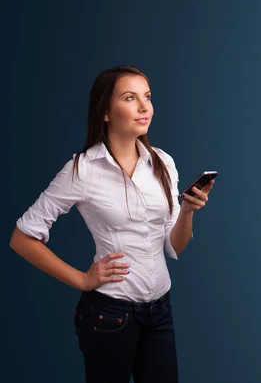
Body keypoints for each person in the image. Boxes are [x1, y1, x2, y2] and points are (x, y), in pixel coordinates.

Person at [9, 65, 214, 383]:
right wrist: (82, 279)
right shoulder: (81, 171)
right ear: (105, 111)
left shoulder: (162, 162)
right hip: (109, 316)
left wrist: (187, 210)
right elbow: (22, 238)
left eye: (147, 97)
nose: (145, 107)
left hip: (160, 312)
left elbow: (174, 247)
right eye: (131, 98)